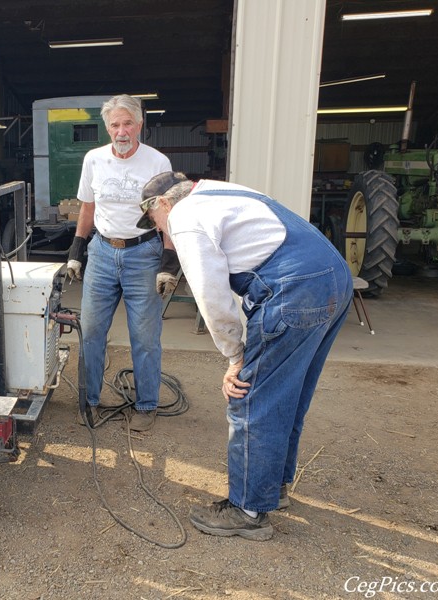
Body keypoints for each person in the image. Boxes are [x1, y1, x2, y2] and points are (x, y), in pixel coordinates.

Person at [136, 171, 353, 540]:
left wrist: (235, 357)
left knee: (250, 396)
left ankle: (248, 510)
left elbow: (212, 296)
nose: (160, 230)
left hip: (295, 290)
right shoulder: (220, 191)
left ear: (163, 205)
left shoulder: (185, 218)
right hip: (334, 278)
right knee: (287, 393)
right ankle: (272, 489)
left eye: (154, 221)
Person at [66, 94, 178, 432]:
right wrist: (76, 250)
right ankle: (89, 400)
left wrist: (169, 261)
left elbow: (166, 214)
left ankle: (146, 406)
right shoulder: (94, 160)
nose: (121, 130)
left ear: (140, 124)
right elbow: (87, 208)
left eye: (128, 123)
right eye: (115, 124)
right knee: (91, 331)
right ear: (107, 128)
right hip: (101, 252)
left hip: (142, 253)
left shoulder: (157, 162)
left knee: (144, 335)